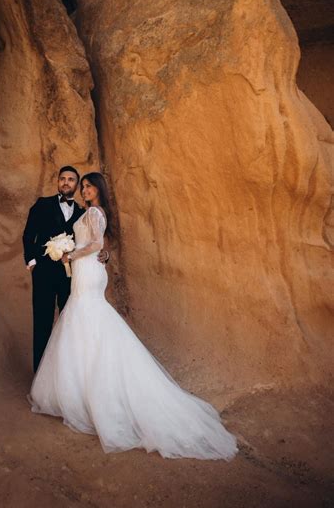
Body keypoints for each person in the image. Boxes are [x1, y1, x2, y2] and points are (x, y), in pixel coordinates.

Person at [28, 172, 238, 460]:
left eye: (88, 186)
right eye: (83, 186)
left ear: (97, 189)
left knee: (86, 316)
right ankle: (79, 389)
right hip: (83, 270)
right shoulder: (82, 210)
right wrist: (71, 254)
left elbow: (96, 244)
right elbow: (95, 243)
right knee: (79, 320)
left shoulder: (93, 212)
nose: (84, 190)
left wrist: (70, 254)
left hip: (86, 271)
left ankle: (92, 394)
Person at [22, 166, 109, 372]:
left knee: (69, 324)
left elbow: (93, 240)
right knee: (42, 322)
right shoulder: (42, 204)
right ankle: (40, 375)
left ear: (76, 185)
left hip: (71, 275)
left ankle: (66, 373)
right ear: (58, 182)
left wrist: (106, 255)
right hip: (43, 273)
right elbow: (28, 235)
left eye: (71, 179)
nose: (66, 182)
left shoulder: (82, 212)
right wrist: (32, 263)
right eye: (62, 178)